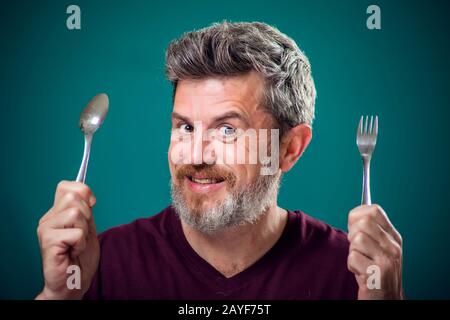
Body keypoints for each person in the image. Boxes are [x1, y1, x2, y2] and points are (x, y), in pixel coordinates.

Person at [36, 21, 403, 300]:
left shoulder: (352, 272)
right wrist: (58, 296)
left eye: (227, 130)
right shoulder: (101, 262)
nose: (195, 155)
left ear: (289, 148)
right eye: (185, 127)